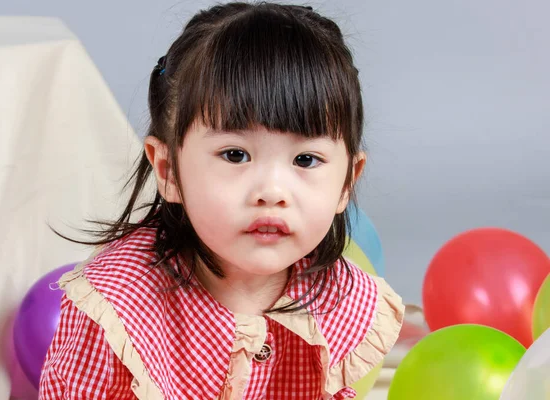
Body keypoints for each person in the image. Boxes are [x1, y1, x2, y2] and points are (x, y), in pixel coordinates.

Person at [39, 2, 404, 399]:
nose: (272, 192)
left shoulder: (339, 299)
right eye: (235, 155)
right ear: (168, 171)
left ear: (347, 183)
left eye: (305, 159)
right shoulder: (117, 309)